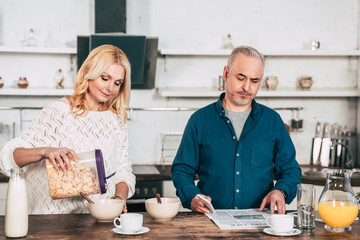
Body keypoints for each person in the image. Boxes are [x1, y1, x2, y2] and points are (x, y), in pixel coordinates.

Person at [0, 44, 136, 214]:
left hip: (97, 222)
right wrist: (45, 151)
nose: (110, 88)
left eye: (117, 83)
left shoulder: (116, 119)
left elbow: (123, 171)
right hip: (52, 221)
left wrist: (119, 199)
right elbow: (7, 156)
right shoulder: (58, 112)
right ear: (87, 72)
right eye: (105, 78)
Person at [171, 46, 302, 214]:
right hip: (210, 221)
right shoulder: (200, 120)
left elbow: (290, 169)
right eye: (241, 78)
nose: (247, 87)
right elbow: (182, 169)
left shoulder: (272, 121)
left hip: (261, 224)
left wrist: (281, 191)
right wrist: (192, 196)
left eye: (255, 81)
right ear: (226, 74)